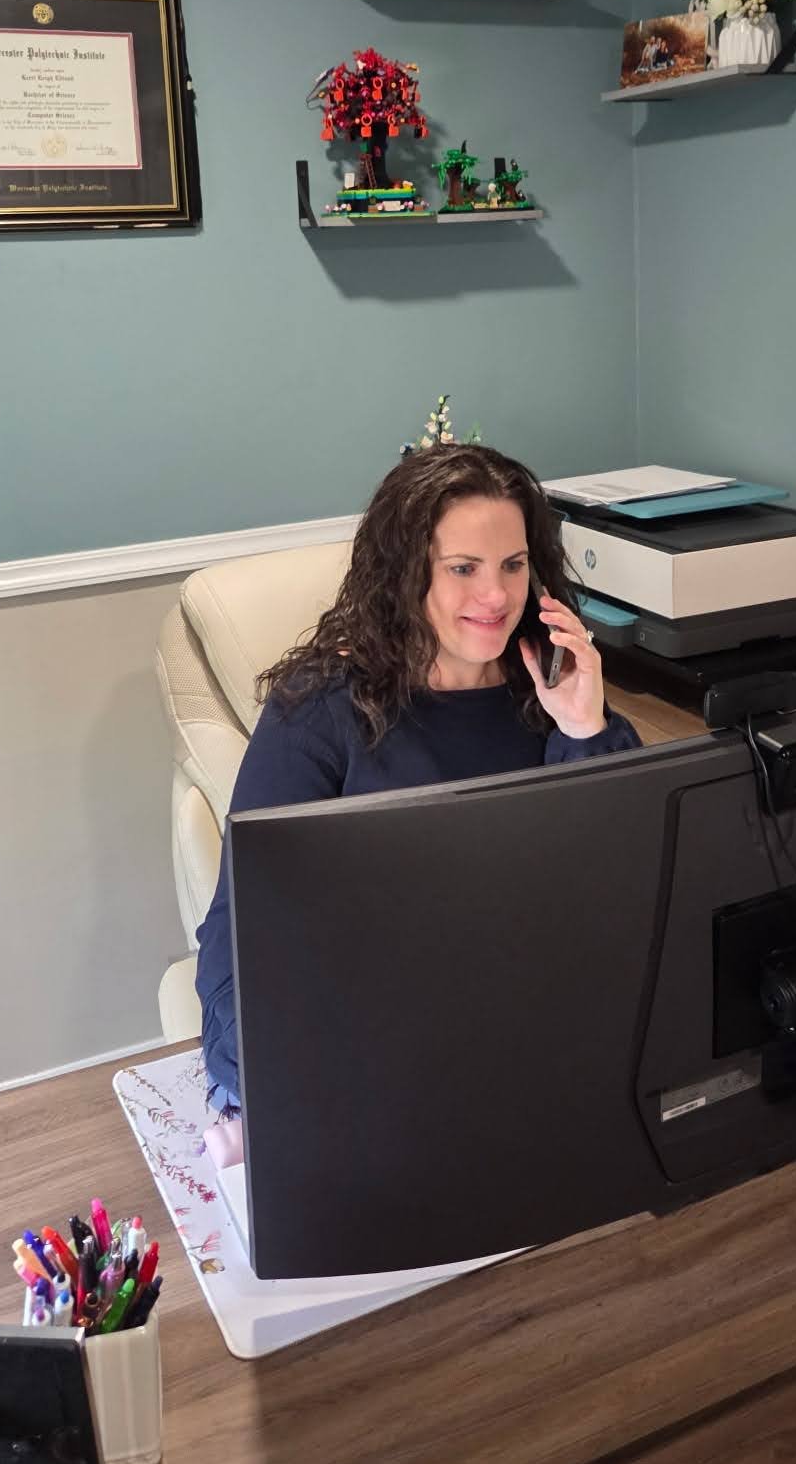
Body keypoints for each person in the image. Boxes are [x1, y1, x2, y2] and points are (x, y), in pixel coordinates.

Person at [195, 443, 640, 1166]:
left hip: (519, 1030)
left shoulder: (553, 692)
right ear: (406, 575)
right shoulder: (322, 710)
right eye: (462, 568)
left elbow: (618, 879)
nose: (495, 597)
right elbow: (239, 928)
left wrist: (584, 726)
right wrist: (269, 1076)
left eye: (514, 565)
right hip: (367, 1038)